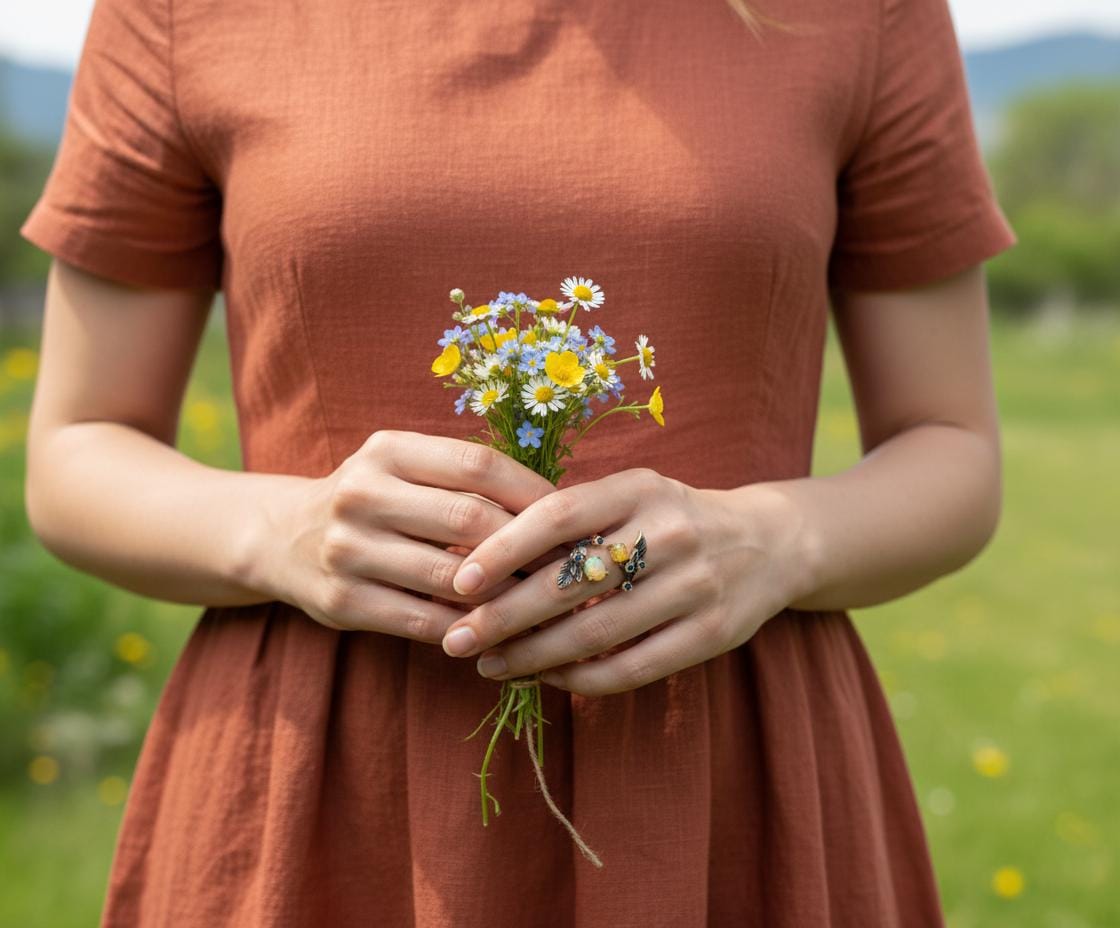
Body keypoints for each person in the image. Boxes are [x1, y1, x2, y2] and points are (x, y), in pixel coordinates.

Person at [19, 0, 1015, 922]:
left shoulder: (861, 16)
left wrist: (775, 541)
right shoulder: (183, 14)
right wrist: (277, 532)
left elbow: (951, 448)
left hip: (726, 775)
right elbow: (75, 450)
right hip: (321, 776)